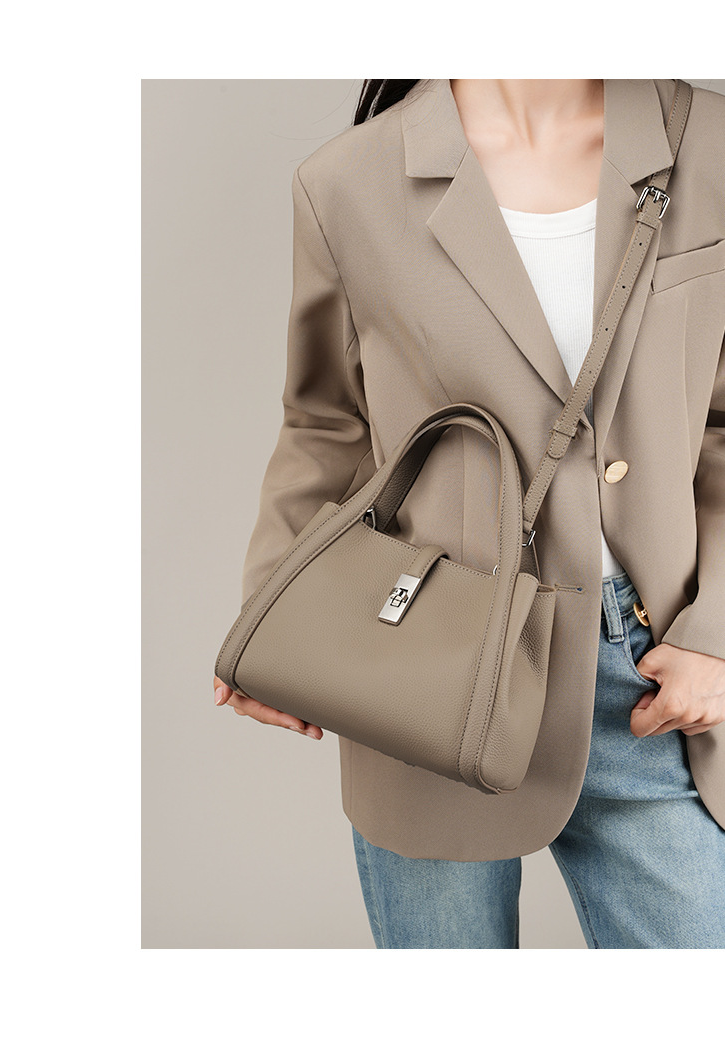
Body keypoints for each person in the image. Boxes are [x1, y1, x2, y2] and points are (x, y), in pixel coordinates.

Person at [213, 80, 725, 948]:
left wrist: (718, 631)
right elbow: (326, 424)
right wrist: (270, 615)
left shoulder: (708, 140)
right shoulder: (347, 183)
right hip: (427, 673)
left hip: (652, 676)